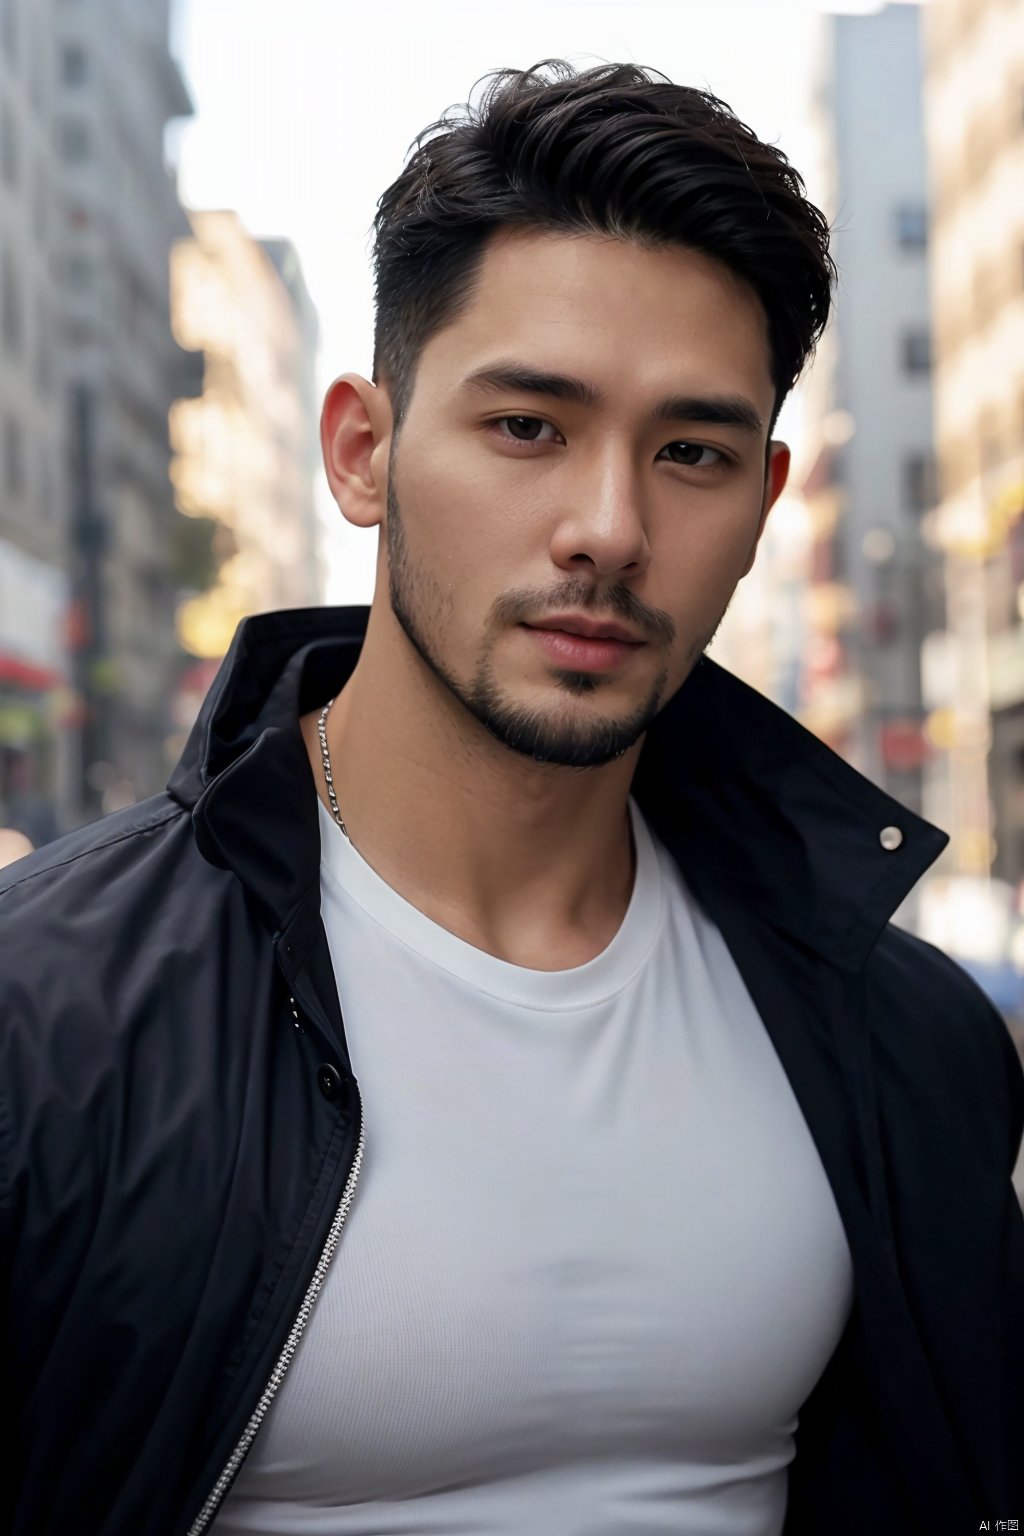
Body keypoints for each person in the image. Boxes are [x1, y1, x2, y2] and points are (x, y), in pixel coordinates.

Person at [2, 60, 1021, 1536]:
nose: (609, 529)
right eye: (528, 428)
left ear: (765, 497)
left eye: (690, 453)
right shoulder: (49, 1016)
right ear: (363, 451)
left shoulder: (903, 1039)